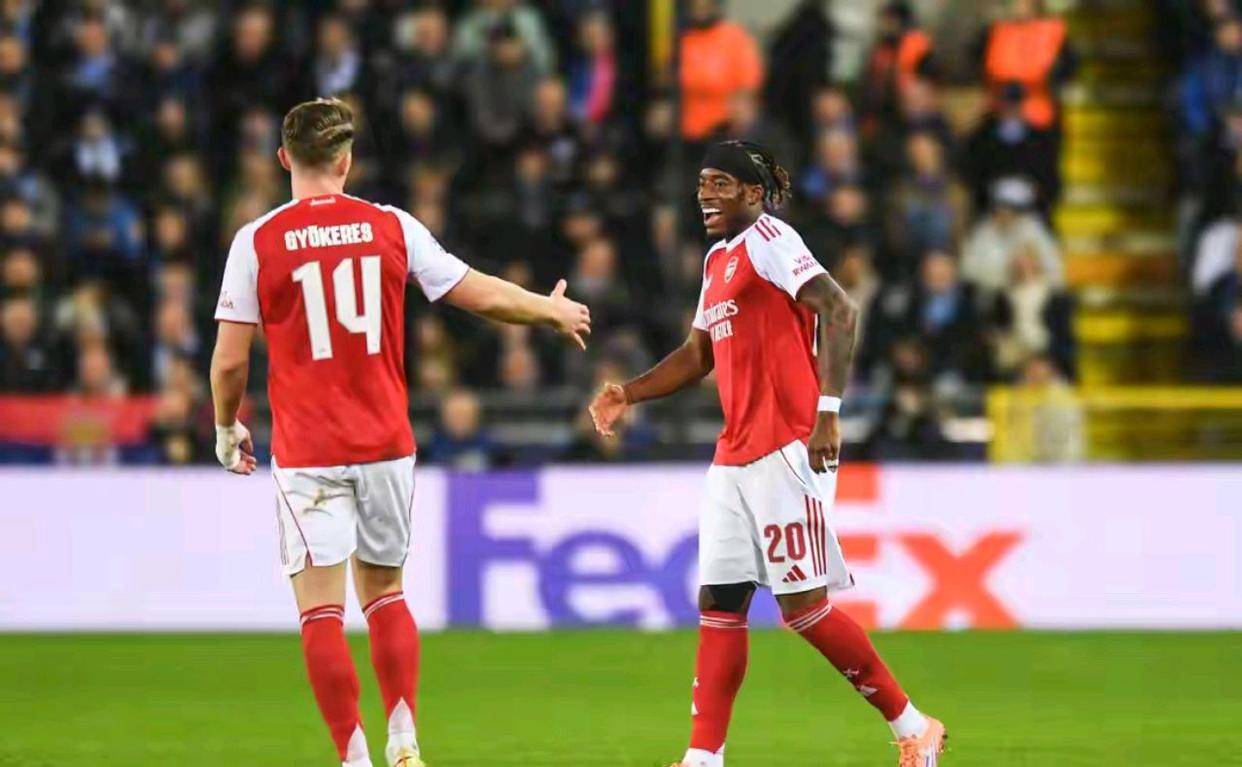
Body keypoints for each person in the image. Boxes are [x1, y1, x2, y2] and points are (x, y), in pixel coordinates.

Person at [209, 98, 590, 767]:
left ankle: (354, 756)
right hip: (385, 443)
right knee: (386, 594)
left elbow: (230, 361)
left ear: (284, 159)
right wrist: (547, 310)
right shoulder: (391, 225)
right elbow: (475, 291)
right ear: (346, 161)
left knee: (320, 612)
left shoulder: (257, 241)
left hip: (309, 452)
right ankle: (405, 739)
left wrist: (224, 425)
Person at [587, 140, 947, 767]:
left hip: (787, 444)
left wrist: (828, 412)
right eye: (702, 182)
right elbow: (698, 354)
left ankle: (914, 726)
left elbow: (840, 309)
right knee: (720, 604)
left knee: (803, 610)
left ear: (754, 194)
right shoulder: (717, 260)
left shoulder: (772, 240)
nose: (705, 194)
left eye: (720, 183)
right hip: (734, 455)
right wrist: (630, 392)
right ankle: (704, 758)